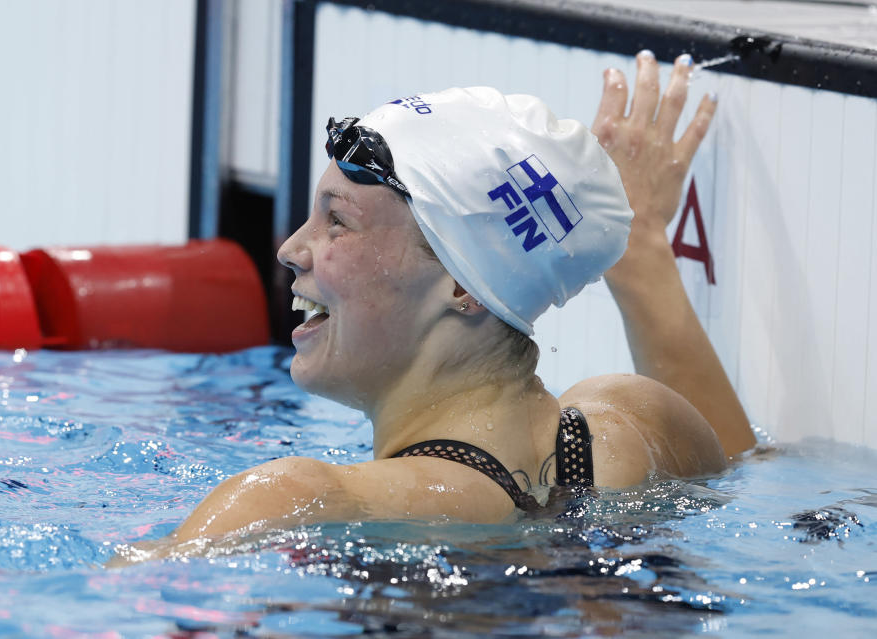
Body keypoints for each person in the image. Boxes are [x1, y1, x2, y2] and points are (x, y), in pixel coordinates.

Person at [112, 51, 756, 564]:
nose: (290, 249)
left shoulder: (297, 500)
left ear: (461, 286)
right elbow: (744, 468)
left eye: (336, 221)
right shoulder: (645, 429)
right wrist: (642, 250)